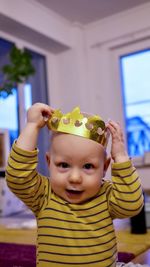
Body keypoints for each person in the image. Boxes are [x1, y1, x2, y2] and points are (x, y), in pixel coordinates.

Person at [6, 103, 145, 267]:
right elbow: (17, 177)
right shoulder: (43, 194)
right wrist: (32, 126)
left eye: (88, 166)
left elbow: (132, 205)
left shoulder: (105, 194)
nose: (75, 178)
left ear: (105, 167)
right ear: (49, 162)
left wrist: (120, 156)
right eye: (64, 165)